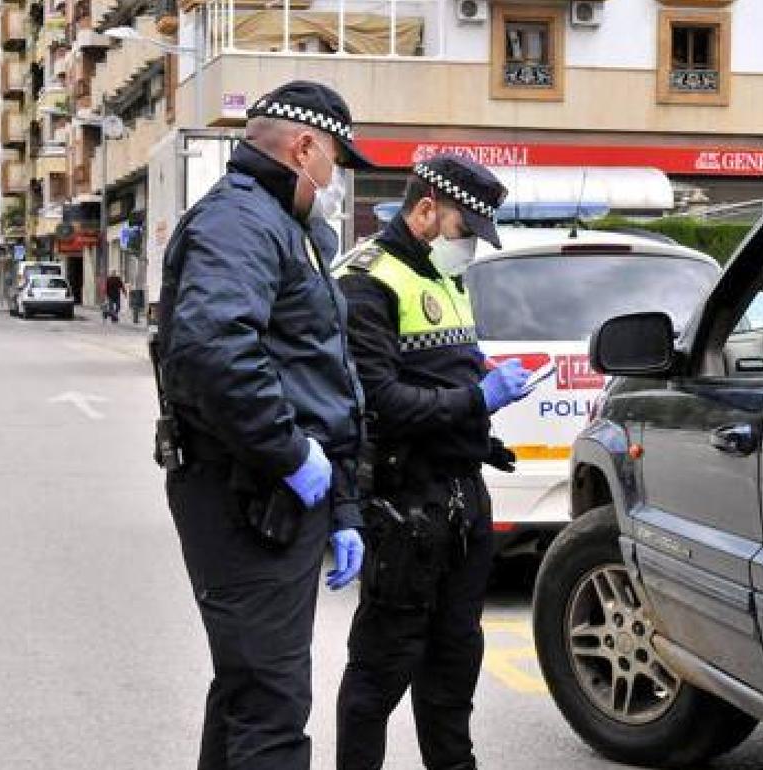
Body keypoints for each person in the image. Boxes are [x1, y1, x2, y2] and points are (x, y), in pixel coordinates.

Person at [155, 80, 371, 770]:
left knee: (249, 691)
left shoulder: (284, 226)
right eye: (335, 158)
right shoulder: (241, 222)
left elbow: (314, 371)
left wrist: (340, 499)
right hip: (246, 493)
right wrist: (287, 453)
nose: (336, 178)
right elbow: (214, 348)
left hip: (277, 491)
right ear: (305, 147)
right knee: (271, 709)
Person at [334, 155, 532, 770]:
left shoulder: (446, 276)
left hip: (462, 498)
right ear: (425, 210)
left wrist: (485, 381)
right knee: (380, 673)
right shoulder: (367, 280)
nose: (468, 244)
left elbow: (449, 365)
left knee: (453, 668)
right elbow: (381, 402)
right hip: (402, 505)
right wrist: (475, 398)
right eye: (462, 229)